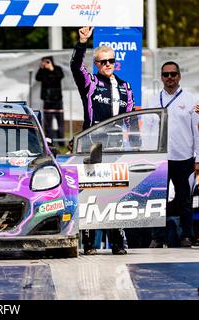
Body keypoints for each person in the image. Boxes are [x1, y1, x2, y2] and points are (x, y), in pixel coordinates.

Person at [71, 27, 135, 255]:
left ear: (115, 62)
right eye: (102, 62)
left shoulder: (126, 87)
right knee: (91, 193)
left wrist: (136, 148)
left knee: (114, 194)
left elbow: (132, 121)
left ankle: (118, 242)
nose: (107, 64)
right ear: (97, 64)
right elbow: (76, 67)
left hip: (116, 145)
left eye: (111, 61)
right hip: (93, 145)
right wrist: (82, 42)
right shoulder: (90, 83)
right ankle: (89, 244)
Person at [145, 61, 199, 248]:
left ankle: (186, 235)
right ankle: (157, 237)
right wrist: (147, 156)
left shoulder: (191, 100)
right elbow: (147, 131)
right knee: (157, 199)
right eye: (166, 75)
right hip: (159, 159)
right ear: (161, 77)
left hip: (183, 157)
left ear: (179, 76)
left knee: (185, 200)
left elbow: (197, 131)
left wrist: (198, 158)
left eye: (173, 74)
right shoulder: (152, 100)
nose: (170, 78)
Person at [35, 56, 65, 146]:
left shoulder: (57, 69)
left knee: (60, 121)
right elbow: (37, 78)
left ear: (51, 61)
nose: (46, 63)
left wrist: (52, 69)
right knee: (48, 122)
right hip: (47, 99)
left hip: (57, 100)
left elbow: (60, 76)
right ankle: (49, 140)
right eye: (44, 62)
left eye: (47, 61)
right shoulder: (42, 71)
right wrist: (41, 67)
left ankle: (61, 141)